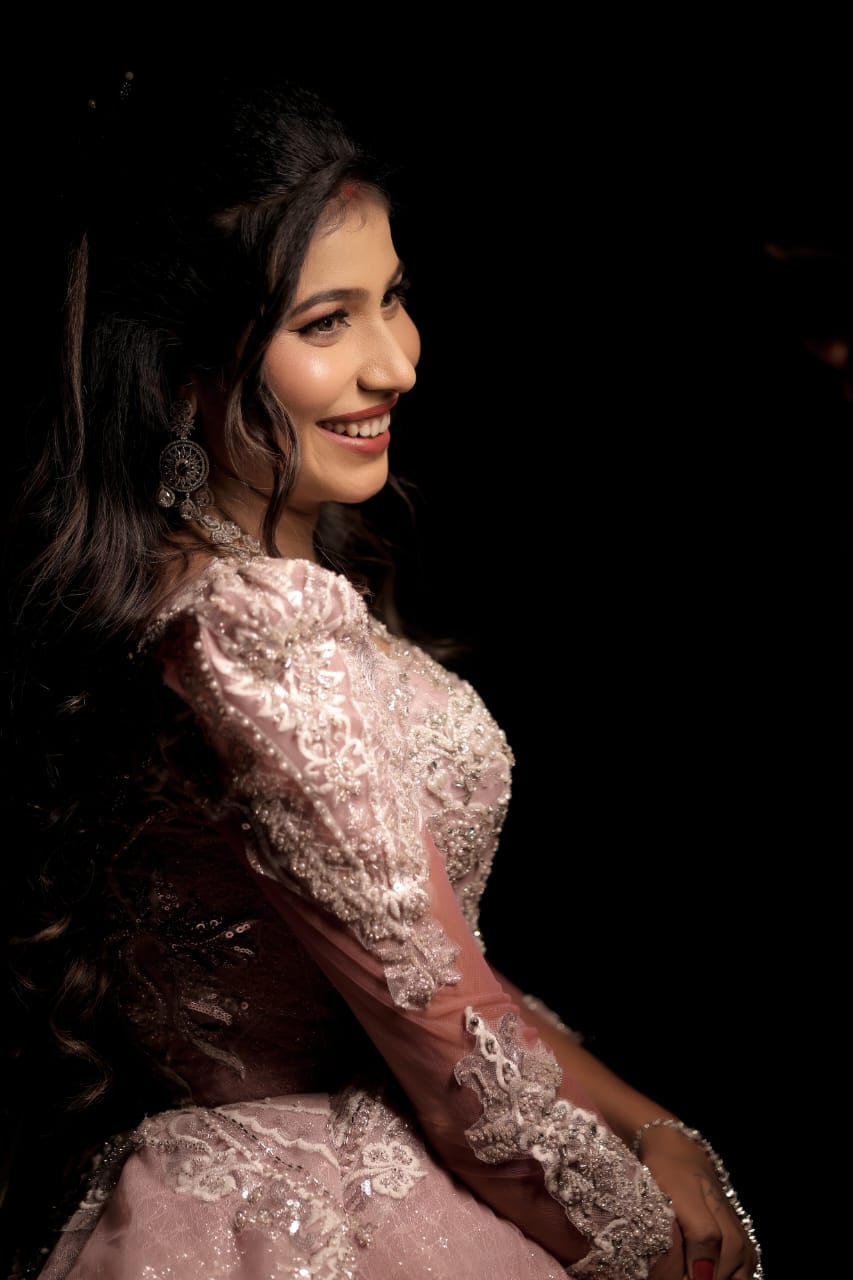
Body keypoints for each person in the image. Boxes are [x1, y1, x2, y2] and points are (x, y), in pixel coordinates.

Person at [1, 59, 764, 1280]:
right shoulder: (253, 627)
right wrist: (657, 1249)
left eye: (392, 299)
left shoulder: (242, 591)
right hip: (329, 1206)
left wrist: (652, 1124)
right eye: (325, 322)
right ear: (180, 372)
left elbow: (440, 963)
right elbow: (452, 1053)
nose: (396, 364)